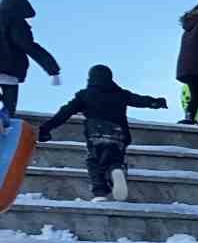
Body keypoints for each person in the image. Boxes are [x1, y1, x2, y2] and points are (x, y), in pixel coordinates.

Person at [35, 65, 168, 202]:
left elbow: (65, 112)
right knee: (114, 159)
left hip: (95, 134)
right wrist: (156, 102)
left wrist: (46, 128)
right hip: (118, 134)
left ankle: (100, 193)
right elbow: (139, 100)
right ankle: (116, 170)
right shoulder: (120, 94)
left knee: (94, 161)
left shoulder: (85, 95)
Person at [0, 0, 62, 115]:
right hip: (9, 71)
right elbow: (26, 44)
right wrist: (52, 69)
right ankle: (5, 125)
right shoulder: (16, 21)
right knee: (8, 111)